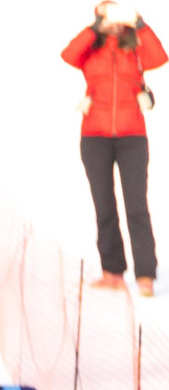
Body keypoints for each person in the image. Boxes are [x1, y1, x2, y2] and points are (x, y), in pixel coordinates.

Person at [63, 1, 166, 293]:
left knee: (137, 206)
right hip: (94, 138)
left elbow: (159, 58)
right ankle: (112, 272)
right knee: (104, 205)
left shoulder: (135, 48)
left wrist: (140, 25)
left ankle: (145, 275)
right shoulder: (90, 50)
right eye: (107, 16)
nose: (114, 21)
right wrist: (95, 28)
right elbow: (69, 55)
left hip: (132, 137)